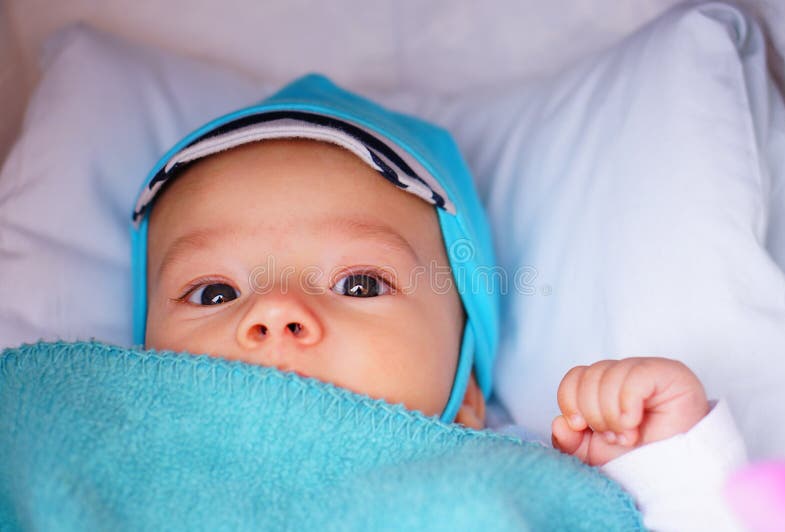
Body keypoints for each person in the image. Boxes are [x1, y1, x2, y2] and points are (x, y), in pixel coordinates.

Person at [131, 74, 746, 530]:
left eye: (360, 284)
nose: (273, 312)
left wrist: (666, 467)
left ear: (468, 396)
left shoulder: (513, 480)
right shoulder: (96, 451)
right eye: (215, 292)